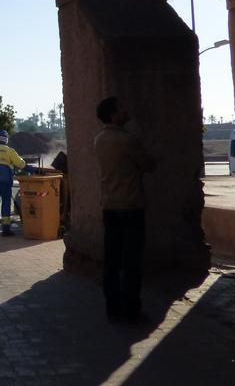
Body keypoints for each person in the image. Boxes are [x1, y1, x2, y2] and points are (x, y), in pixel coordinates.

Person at [93, 96, 156, 324]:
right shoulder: (127, 141)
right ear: (113, 115)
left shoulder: (99, 140)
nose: (126, 110)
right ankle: (131, 308)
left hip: (109, 206)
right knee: (131, 260)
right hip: (130, 206)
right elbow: (149, 164)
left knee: (112, 258)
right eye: (122, 108)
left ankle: (112, 306)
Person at [0, 129, 26, 236]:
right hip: (6, 181)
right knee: (6, 203)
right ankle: (6, 229)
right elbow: (21, 164)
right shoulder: (9, 151)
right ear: (6, 140)